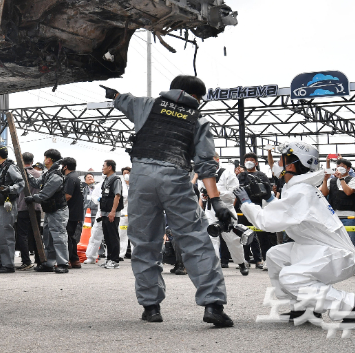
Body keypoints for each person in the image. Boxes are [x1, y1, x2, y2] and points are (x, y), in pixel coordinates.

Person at [103, 75, 234, 326]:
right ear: (195, 97)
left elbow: (123, 100)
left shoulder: (147, 105)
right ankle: (213, 305)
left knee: (144, 242)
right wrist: (216, 202)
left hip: (141, 179)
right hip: (175, 179)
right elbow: (206, 165)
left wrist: (114, 95)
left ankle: (151, 307)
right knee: (195, 240)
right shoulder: (199, 119)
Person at [236, 140, 355, 327]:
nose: (278, 163)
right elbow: (286, 212)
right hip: (319, 249)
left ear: (291, 165)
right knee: (275, 255)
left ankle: (350, 305)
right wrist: (269, 198)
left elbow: (267, 222)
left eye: (282, 159)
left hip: (338, 256)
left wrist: (246, 203)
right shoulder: (298, 188)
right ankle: (305, 308)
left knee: (290, 276)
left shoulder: (302, 191)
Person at [200, 153, 249, 276]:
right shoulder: (203, 176)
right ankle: (214, 267)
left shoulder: (228, 173)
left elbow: (234, 193)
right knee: (211, 238)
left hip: (226, 210)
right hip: (210, 210)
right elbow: (202, 194)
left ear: (217, 160)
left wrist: (217, 193)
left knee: (233, 239)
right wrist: (205, 196)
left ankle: (241, 262)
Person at [25, 149, 69, 274]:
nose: (44, 160)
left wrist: (33, 198)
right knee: (49, 238)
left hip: (58, 211)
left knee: (59, 237)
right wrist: (26, 172)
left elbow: (44, 194)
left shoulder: (55, 176)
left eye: (45, 158)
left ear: (49, 159)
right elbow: (35, 182)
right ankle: (49, 263)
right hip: (51, 211)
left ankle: (63, 263)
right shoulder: (49, 173)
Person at [238, 152, 276, 270]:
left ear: (256, 162)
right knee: (243, 234)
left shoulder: (261, 175)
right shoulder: (240, 176)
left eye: (251, 160)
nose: (249, 162)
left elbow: (267, 191)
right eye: (246, 160)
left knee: (263, 236)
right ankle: (245, 259)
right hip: (243, 208)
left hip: (258, 207)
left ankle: (264, 259)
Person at [319, 157, 355, 260]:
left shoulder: (354, 180)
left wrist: (342, 179)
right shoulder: (332, 181)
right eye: (338, 166)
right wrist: (325, 180)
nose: (339, 168)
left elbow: (348, 192)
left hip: (350, 215)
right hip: (334, 215)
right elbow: (324, 193)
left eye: (342, 167)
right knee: (335, 240)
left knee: (352, 240)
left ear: (348, 169)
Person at [16, 152, 43, 270]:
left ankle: (26, 261)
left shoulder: (18, 174)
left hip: (22, 207)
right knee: (36, 233)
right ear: (32, 161)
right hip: (36, 207)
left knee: (22, 235)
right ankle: (39, 260)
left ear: (21, 160)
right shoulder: (39, 174)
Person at [100, 159, 123, 269]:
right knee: (107, 236)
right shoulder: (106, 180)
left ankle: (115, 260)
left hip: (112, 213)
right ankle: (109, 258)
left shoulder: (116, 180)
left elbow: (117, 196)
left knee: (113, 236)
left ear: (110, 167)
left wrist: (113, 211)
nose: (102, 168)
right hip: (105, 213)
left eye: (104, 166)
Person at [62, 157, 84, 269]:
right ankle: (75, 260)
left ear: (65, 166)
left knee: (67, 236)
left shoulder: (70, 178)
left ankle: (68, 260)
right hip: (77, 212)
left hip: (70, 212)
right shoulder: (78, 177)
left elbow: (68, 195)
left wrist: (58, 203)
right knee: (71, 236)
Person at [120, 171, 130, 260]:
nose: (126, 174)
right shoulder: (121, 186)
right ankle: (120, 254)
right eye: (124, 173)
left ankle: (136, 254)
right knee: (122, 235)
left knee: (135, 235)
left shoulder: (136, 184)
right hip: (124, 215)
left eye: (128, 172)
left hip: (134, 215)